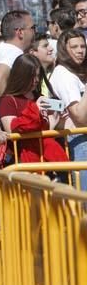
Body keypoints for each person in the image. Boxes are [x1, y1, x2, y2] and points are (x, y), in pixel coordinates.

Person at [0, 54, 68, 166]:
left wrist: (56, 117)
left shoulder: (39, 97)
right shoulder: (8, 100)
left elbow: (45, 131)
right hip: (22, 163)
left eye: (38, 76)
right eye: (32, 76)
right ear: (21, 76)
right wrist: (35, 109)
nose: (36, 80)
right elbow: (11, 130)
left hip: (45, 161)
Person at [49, 29, 87, 189]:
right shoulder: (63, 74)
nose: (80, 51)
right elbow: (79, 117)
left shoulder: (75, 73)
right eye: (75, 47)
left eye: (83, 46)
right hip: (79, 142)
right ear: (64, 50)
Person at [0, 10, 35, 112]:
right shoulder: (14, 53)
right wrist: (11, 111)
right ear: (20, 32)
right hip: (5, 123)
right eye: (32, 28)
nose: (34, 32)